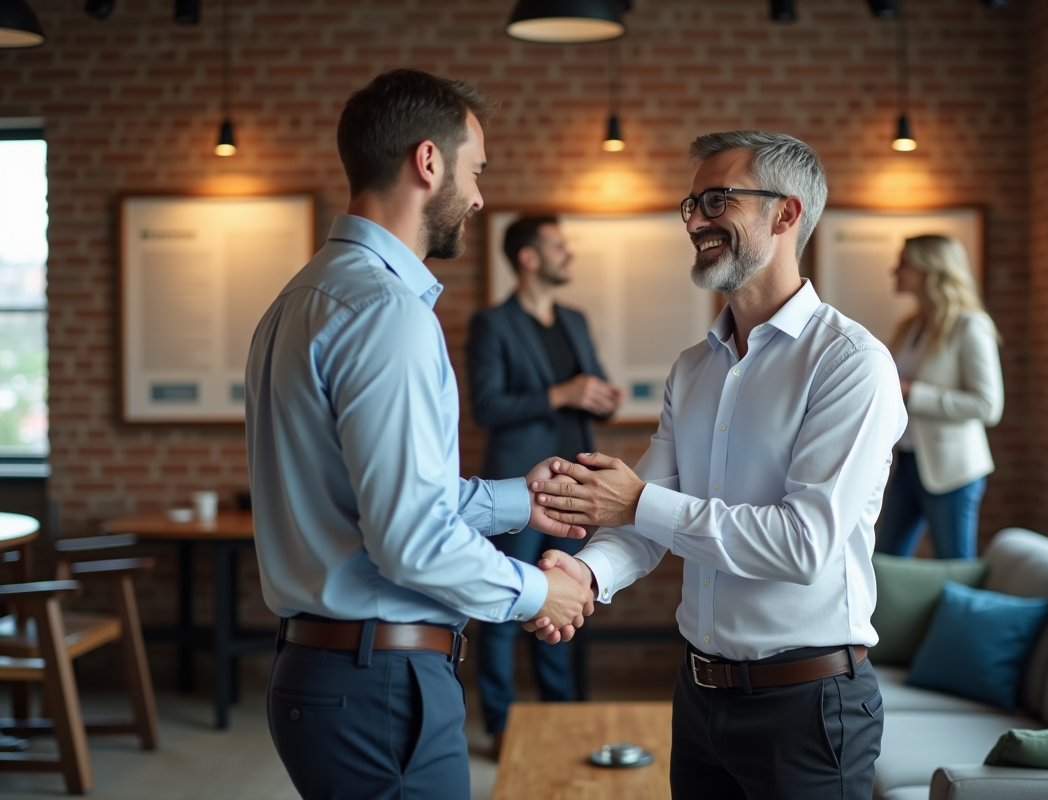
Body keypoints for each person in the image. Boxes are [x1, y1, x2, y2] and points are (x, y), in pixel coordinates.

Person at [526, 130, 908, 800]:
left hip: (810, 709)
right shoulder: (694, 368)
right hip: (699, 699)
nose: (696, 220)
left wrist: (637, 503)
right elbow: (648, 517)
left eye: (716, 200)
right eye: (691, 205)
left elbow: (802, 545)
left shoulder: (851, 364)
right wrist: (586, 572)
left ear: (786, 214)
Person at [243, 69, 592, 800]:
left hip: (336, 673)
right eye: (477, 171)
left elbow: (381, 504)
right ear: (428, 163)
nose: (479, 196)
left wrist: (514, 503)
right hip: (380, 684)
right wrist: (537, 593)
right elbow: (408, 538)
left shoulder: (301, 296)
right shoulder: (385, 311)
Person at [467, 215, 621, 756]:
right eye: (558, 245)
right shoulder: (492, 323)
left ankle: (561, 718)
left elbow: (589, 385)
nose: (568, 254)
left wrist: (600, 395)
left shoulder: (575, 320)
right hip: (520, 492)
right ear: (529, 257)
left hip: (574, 486)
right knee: (506, 607)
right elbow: (486, 407)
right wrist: (563, 393)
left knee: (567, 600)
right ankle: (501, 725)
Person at [875, 234, 1004, 559]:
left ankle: (962, 613)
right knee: (887, 561)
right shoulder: (909, 326)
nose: (895, 271)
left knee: (955, 563)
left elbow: (988, 406)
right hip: (907, 462)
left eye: (904, 263)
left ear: (929, 269)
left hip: (953, 471)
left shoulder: (970, 325)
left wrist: (912, 392)